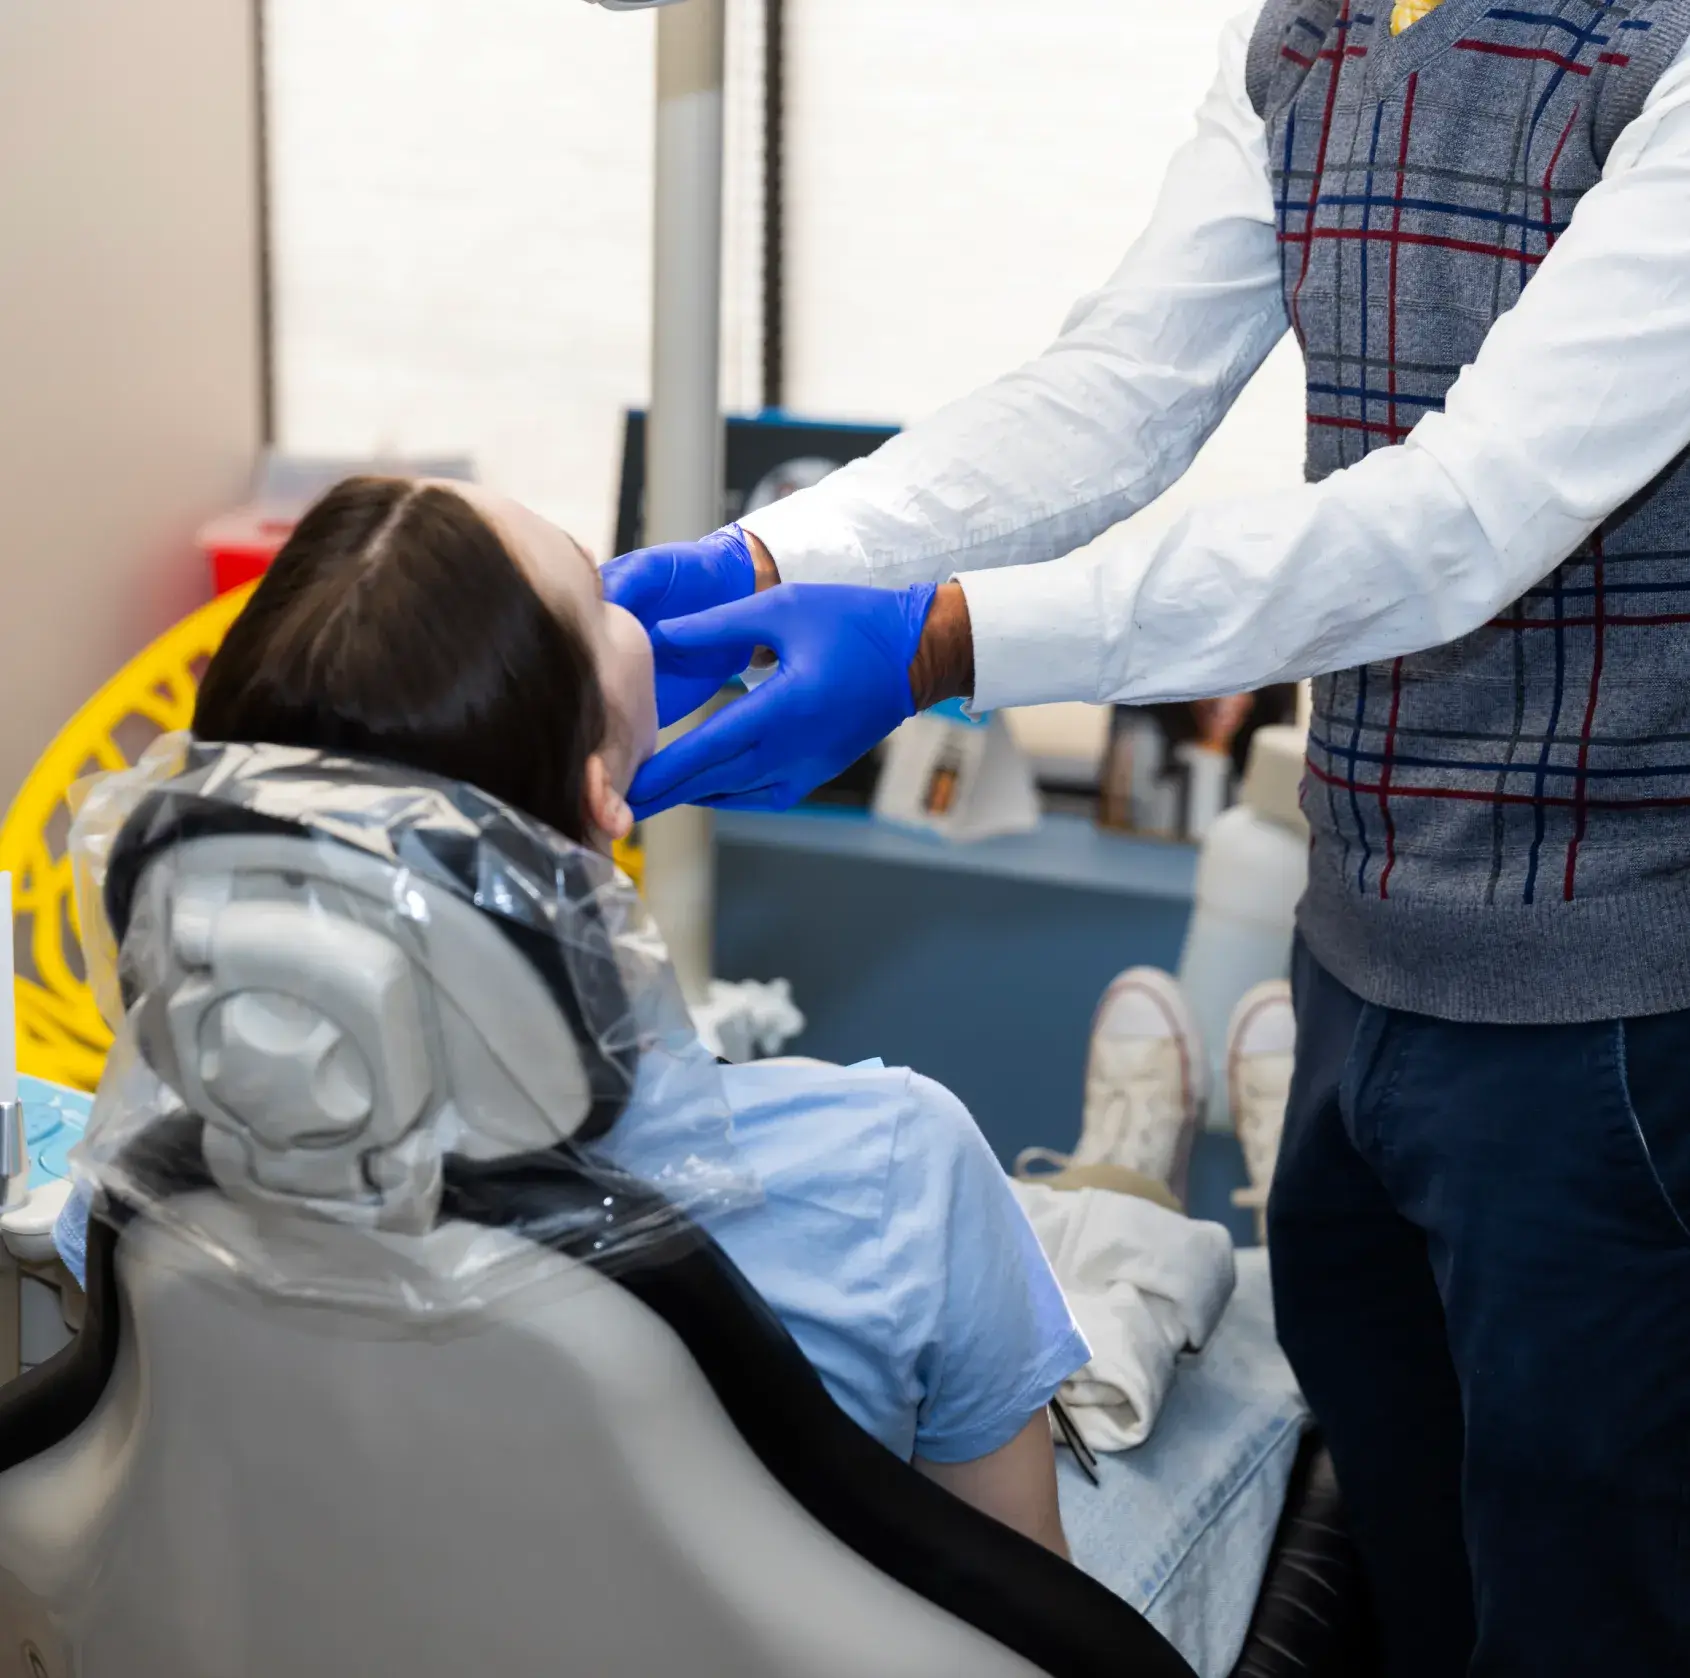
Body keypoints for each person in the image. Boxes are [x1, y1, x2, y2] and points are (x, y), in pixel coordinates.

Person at [601, 3, 1690, 1673]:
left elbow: (1457, 519)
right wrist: (783, 558)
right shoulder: (1316, 26)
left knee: (1584, 1602)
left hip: (1608, 1008)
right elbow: (1118, 389)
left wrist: (940, 643)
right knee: (1405, 1554)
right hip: (1357, 946)